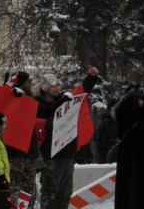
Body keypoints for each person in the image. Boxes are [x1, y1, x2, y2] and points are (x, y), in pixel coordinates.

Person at [36, 66, 99, 209]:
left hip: (67, 153)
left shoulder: (66, 100)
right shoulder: (39, 104)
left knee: (65, 192)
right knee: (50, 191)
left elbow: (82, 92)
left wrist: (91, 78)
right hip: (51, 156)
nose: (58, 88)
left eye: (59, 84)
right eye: (54, 85)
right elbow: (47, 113)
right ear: (46, 88)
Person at [113, 87, 144, 209]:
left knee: (127, 192)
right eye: (139, 99)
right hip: (138, 158)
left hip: (129, 159)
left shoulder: (122, 113)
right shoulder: (140, 115)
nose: (141, 101)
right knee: (137, 193)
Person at [3, 72, 38, 209]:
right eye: (28, 81)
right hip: (14, 153)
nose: (30, 84)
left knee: (28, 191)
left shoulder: (30, 99)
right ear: (21, 83)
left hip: (29, 152)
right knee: (14, 188)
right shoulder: (10, 97)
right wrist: (12, 94)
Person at [92, 98, 118, 163]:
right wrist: (115, 143)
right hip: (105, 159)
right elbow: (99, 141)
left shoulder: (123, 123)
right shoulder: (104, 124)